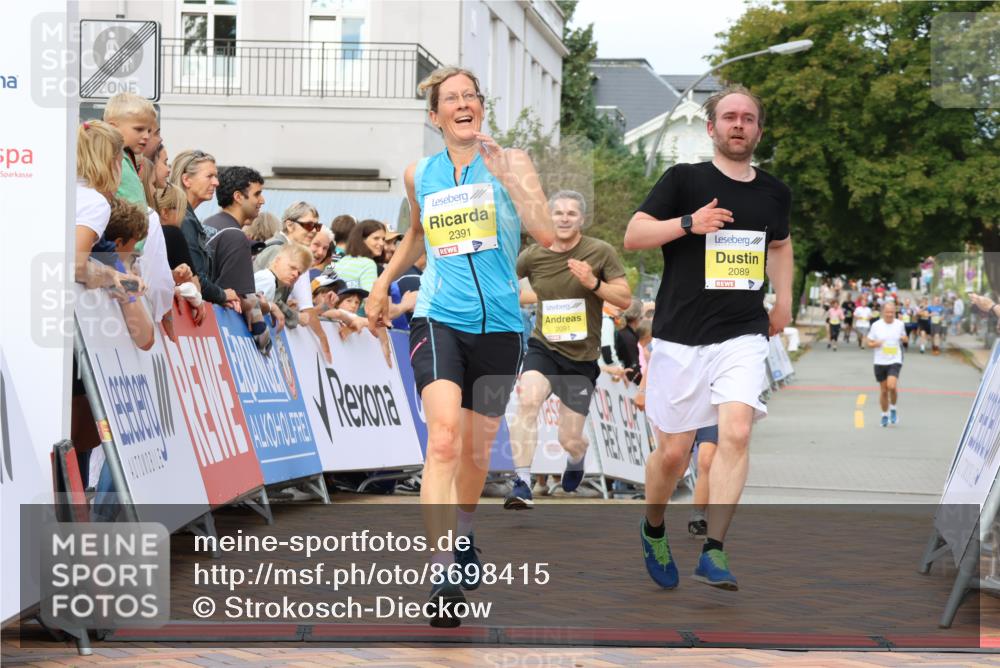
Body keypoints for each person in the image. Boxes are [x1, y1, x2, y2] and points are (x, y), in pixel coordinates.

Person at [365, 66, 554, 626]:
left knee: (475, 450)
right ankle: (442, 567)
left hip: (499, 324)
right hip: (439, 314)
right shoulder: (418, 172)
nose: (464, 103)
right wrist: (381, 282)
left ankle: (465, 531)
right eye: (453, 98)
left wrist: (510, 178)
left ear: (480, 108)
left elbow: (546, 234)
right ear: (436, 115)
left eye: (471, 95)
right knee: (443, 440)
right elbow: (419, 236)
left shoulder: (512, 161)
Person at [623, 84, 793, 591]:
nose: (738, 125)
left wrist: (783, 300)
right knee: (673, 455)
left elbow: (780, 246)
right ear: (711, 128)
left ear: (758, 130)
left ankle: (714, 550)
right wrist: (688, 223)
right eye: (729, 117)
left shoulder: (774, 192)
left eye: (748, 118)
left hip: (742, 331)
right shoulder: (683, 179)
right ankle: (653, 527)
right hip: (679, 336)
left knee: (736, 432)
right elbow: (634, 235)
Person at [504, 189, 630, 509]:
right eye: (557, 212)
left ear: (581, 220)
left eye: (571, 213)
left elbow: (624, 299)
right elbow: (505, 281)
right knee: (528, 400)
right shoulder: (533, 255)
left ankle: (577, 457)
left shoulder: (600, 252)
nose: (563, 218)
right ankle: (521, 482)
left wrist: (593, 284)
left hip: (582, 357)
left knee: (568, 439)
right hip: (544, 346)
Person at [203, 166, 272, 351]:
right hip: (219, 340)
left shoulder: (208, 223)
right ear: (238, 197)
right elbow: (244, 301)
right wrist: (266, 307)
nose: (262, 200)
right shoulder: (235, 236)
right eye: (257, 194)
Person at [170, 150, 241, 312]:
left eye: (216, 176)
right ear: (186, 180)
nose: (216, 182)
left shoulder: (188, 218)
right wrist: (222, 295)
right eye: (209, 176)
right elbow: (196, 277)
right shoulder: (183, 220)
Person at [103, 92, 156, 207]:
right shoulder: (119, 161)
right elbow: (138, 208)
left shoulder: (107, 156)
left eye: (148, 131)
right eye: (139, 129)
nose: (146, 136)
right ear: (113, 127)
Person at [866, 300, 905, 427]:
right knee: (883, 391)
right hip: (879, 361)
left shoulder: (900, 324)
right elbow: (869, 342)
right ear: (883, 312)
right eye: (887, 312)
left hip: (895, 359)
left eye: (892, 312)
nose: (889, 314)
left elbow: (905, 338)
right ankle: (884, 414)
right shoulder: (876, 325)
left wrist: (904, 339)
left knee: (891, 386)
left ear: (895, 312)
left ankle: (893, 408)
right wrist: (875, 344)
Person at [335, 219, 387, 294]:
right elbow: (369, 298)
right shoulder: (368, 264)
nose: (382, 243)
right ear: (361, 240)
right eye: (376, 238)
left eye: (383, 239)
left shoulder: (343, 260)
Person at [615, 299, 644, 385]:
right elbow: (633, 367)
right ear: (638, 317)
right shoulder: (628, 337)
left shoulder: (627, 334)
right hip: (623, 384)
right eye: (642, 316)